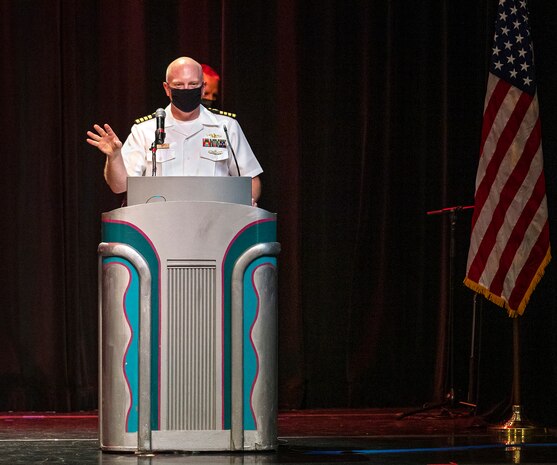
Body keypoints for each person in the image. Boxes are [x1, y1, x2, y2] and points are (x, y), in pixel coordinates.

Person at [86, 57, 262, 203]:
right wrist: (114, 156)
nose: (186, 90)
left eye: (193, 84)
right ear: (167, 88)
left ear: (202, 88)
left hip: (214, 224)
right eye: (179, 85)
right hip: (158, 225)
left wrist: (246, 204)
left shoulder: (226, 127)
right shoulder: (145, 130)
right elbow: (119, 186)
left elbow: (251, 179)